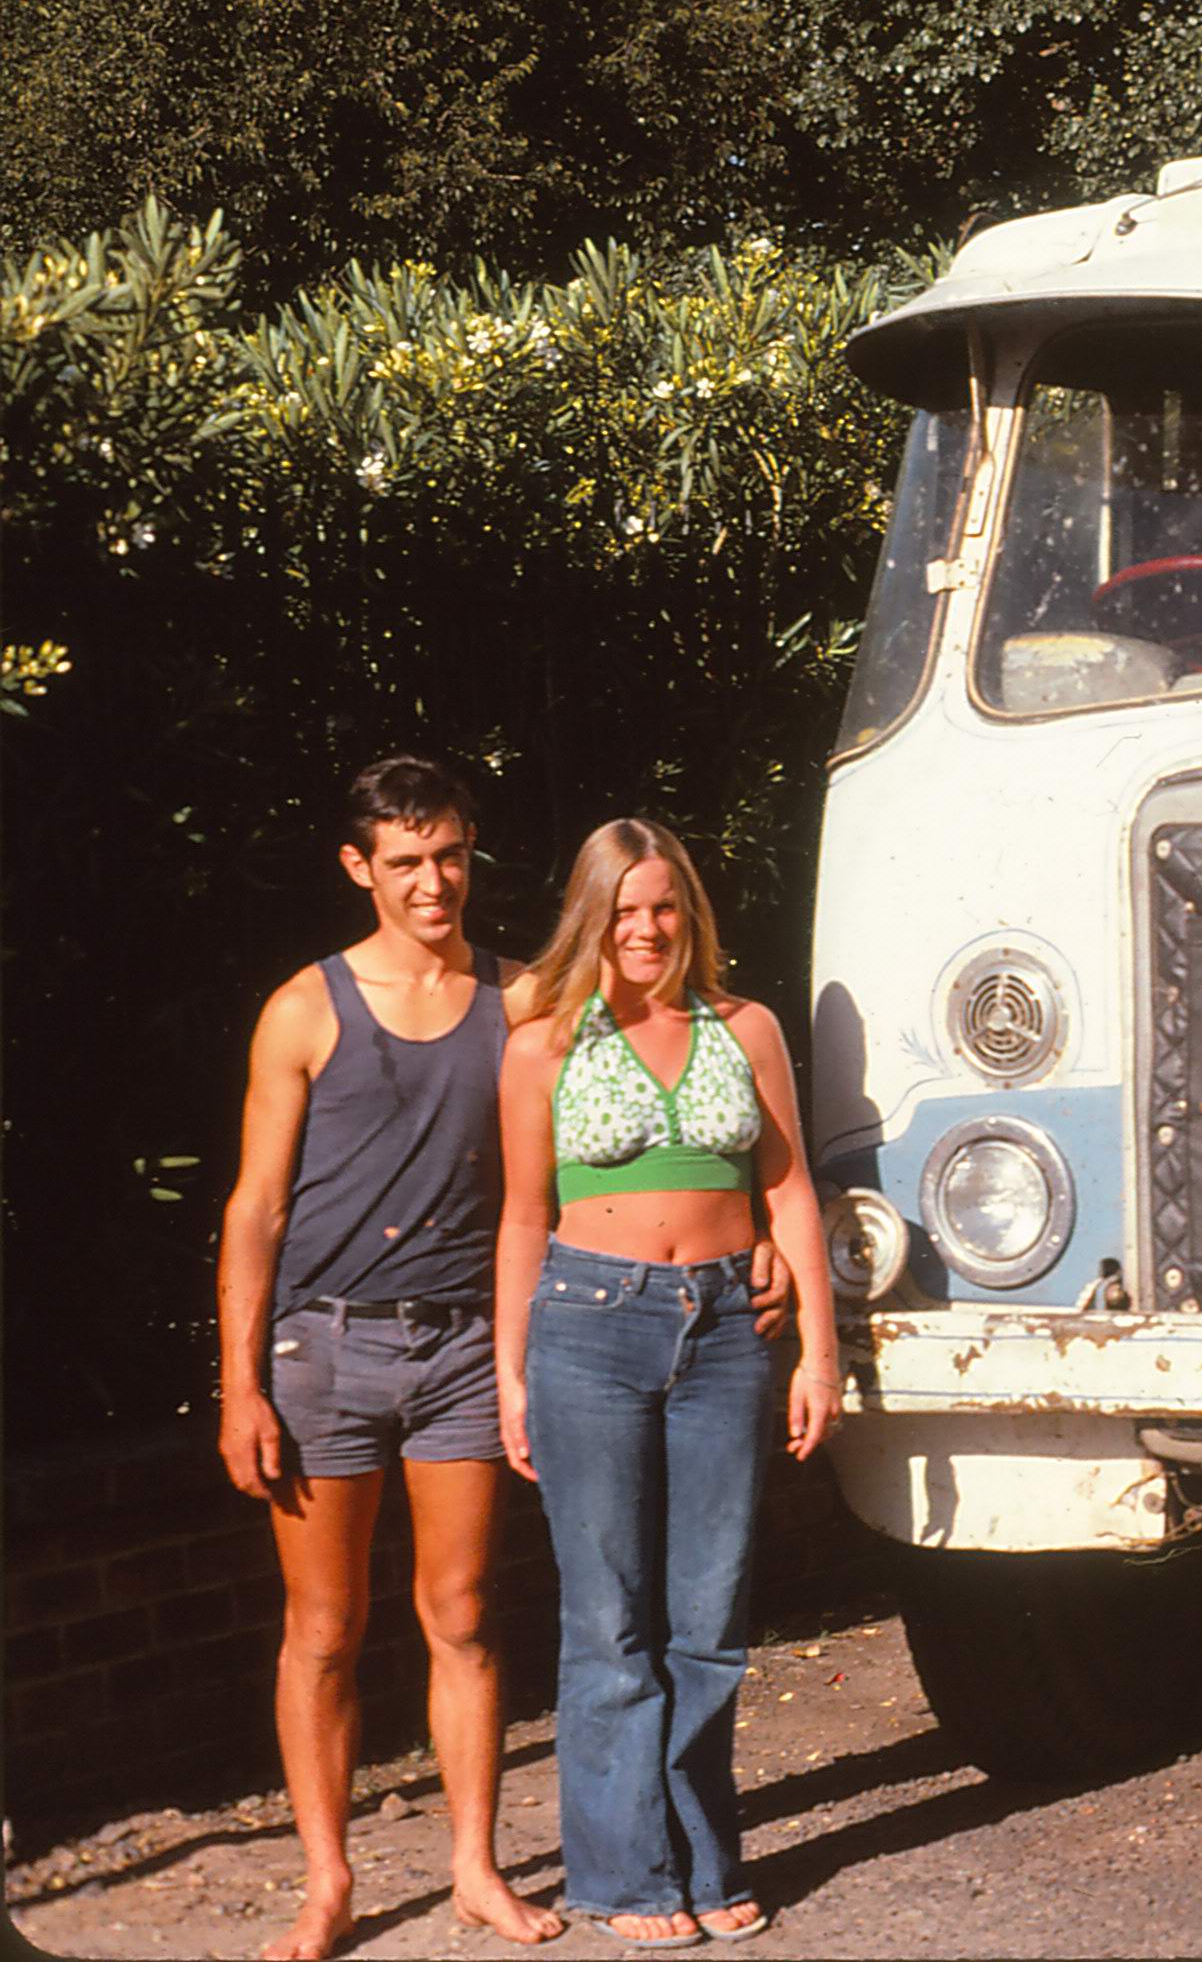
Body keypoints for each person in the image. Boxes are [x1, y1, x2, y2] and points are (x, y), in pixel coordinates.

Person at [214, 756, 566, 1959]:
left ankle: (474, 1868)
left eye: (452, 854)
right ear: (359, 866)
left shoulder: (520, 999)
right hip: (324, 1349)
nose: (434, 881)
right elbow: (254, 1209)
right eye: (406, 860)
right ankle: (329, 1883)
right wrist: (241, 1386)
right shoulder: (304, 1009)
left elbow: (585, 1171)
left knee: (463, 1615)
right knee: (323, 1628)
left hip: (465, 1347)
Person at [494, 819, 841, 1949]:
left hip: (729, 1333)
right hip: (588, 1328)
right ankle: (622, 1879)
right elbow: (522, 1216)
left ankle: (702, 1858)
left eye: (665, 907)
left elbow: (790, 1192)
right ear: (592, 917)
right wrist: (508, 1375)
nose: (646, 930)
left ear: (689, 913)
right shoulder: (542, 1041)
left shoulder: (744, 1027)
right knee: (608, 1618)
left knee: (710, 1615)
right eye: (624, 910)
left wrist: (820, 1352)